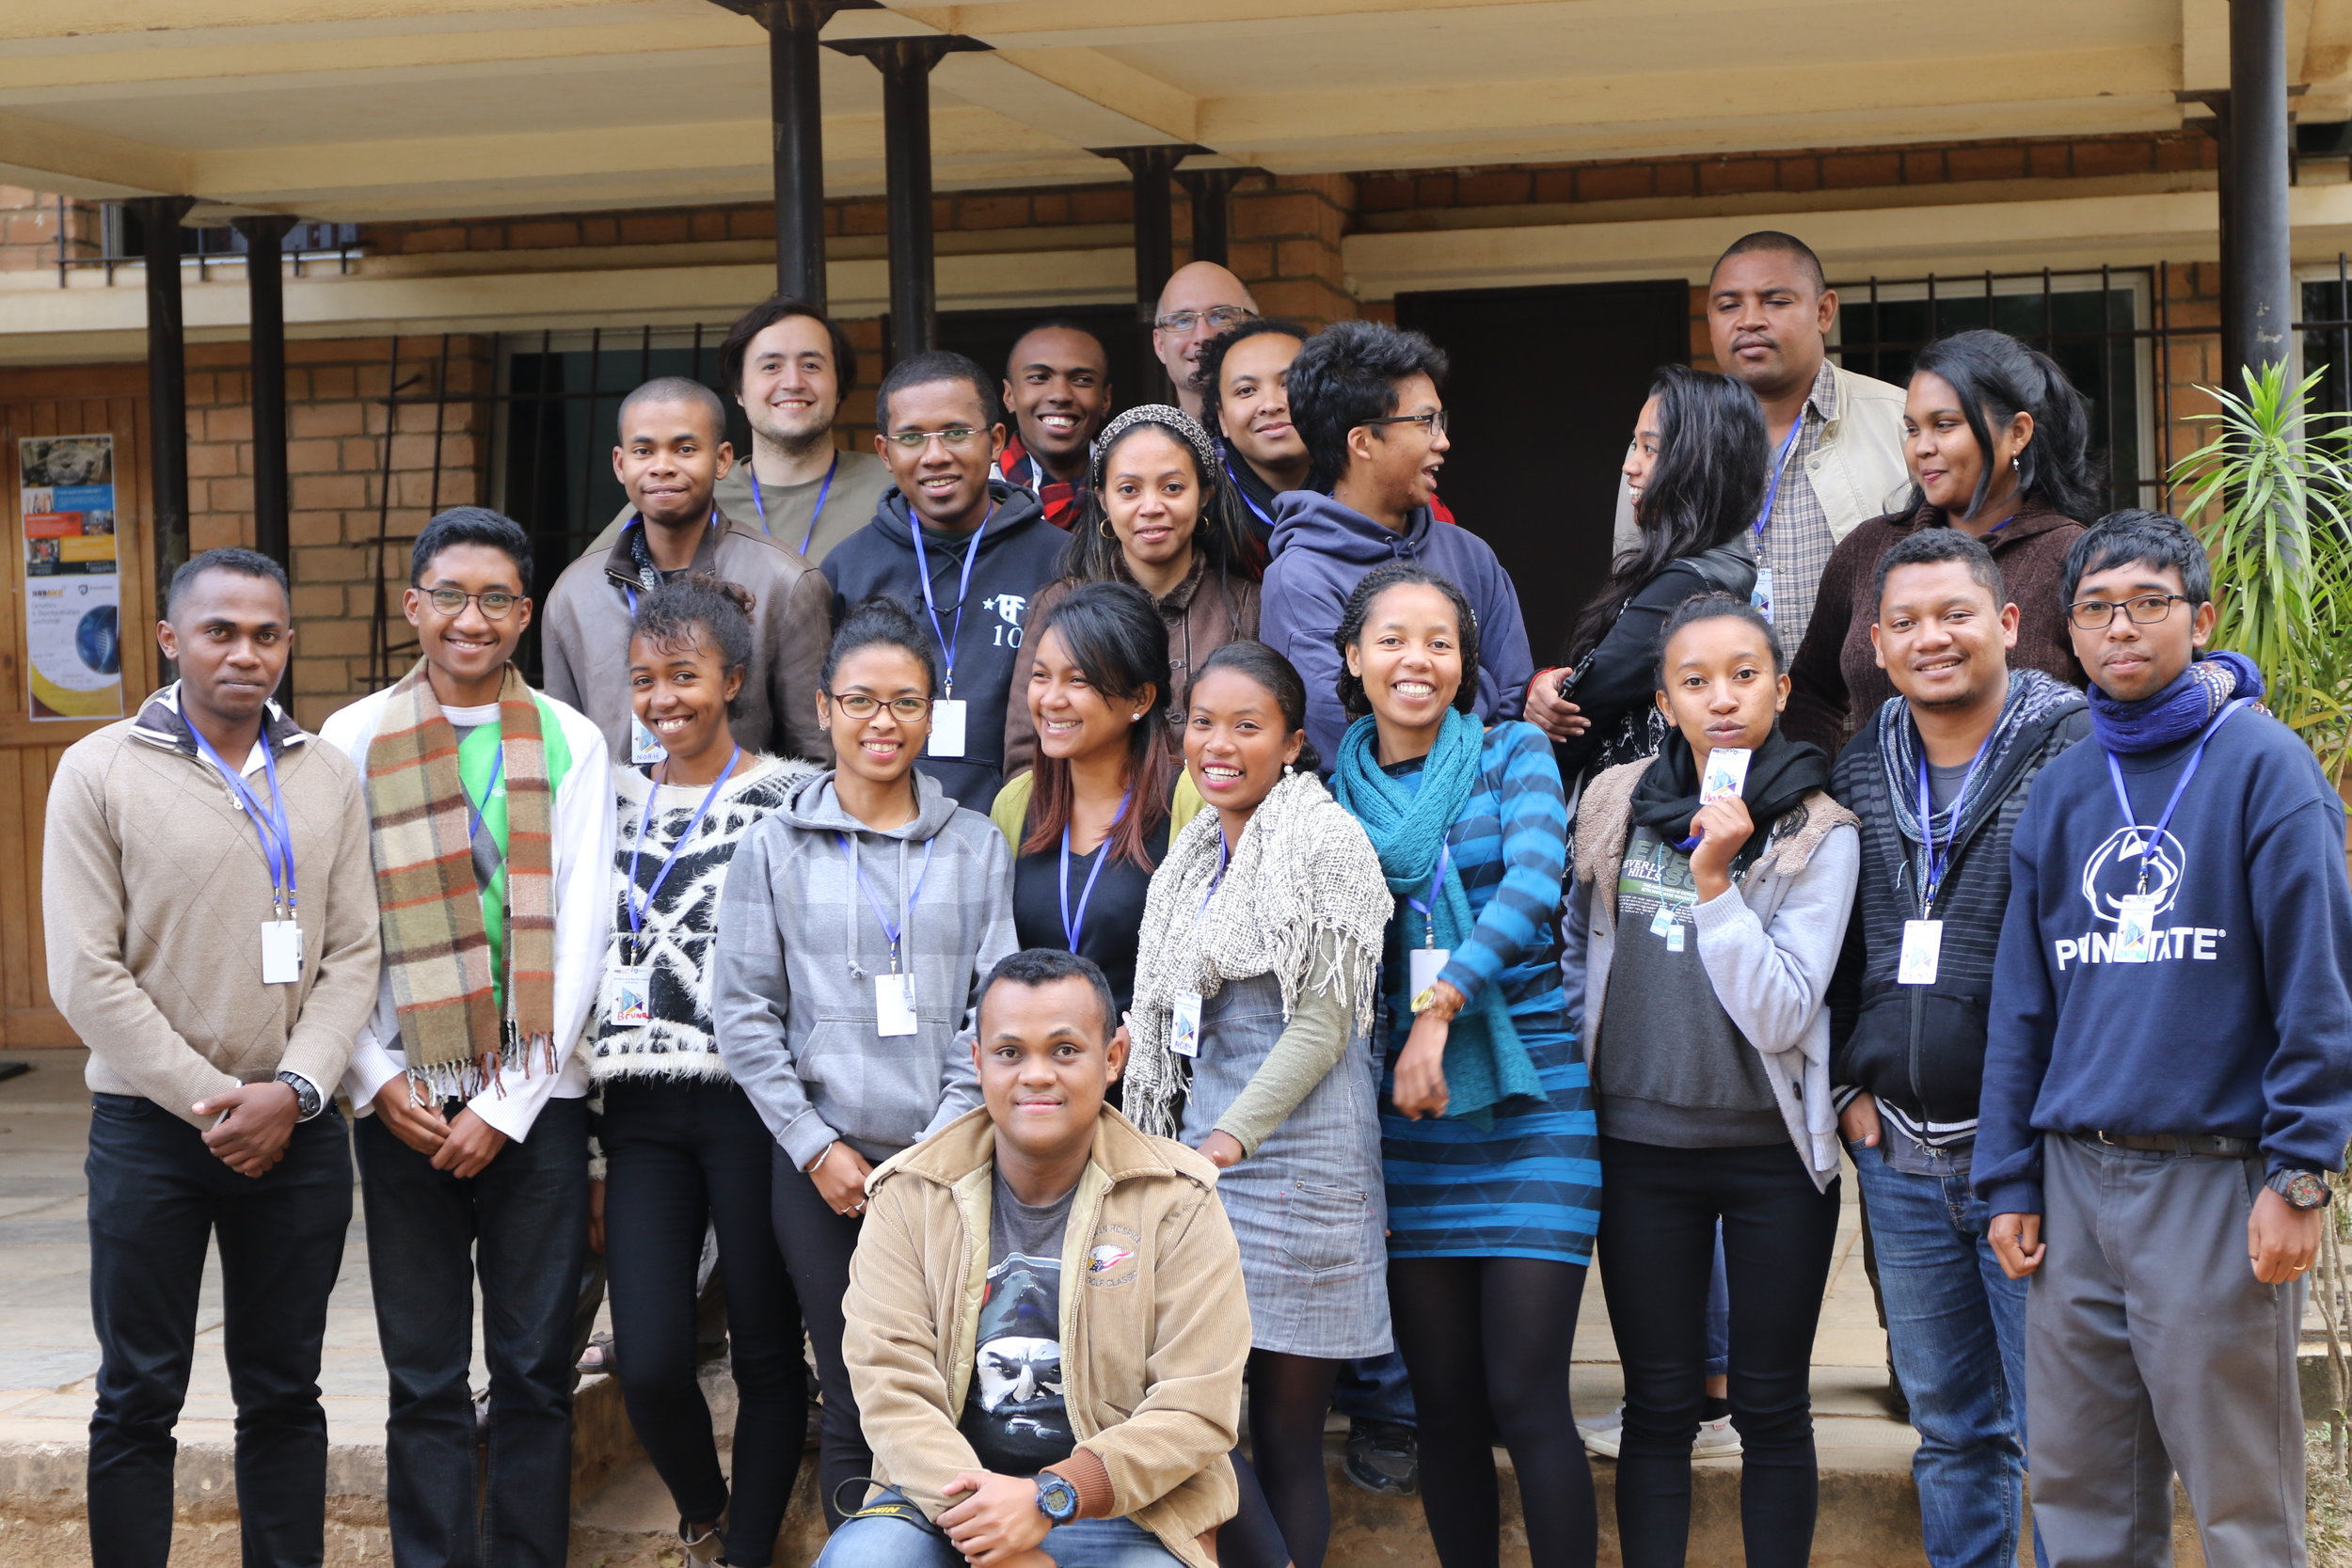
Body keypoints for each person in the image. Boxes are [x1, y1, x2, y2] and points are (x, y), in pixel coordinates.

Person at [1976, 510, 2352, 1568]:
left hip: (2212, 1178)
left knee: (2238, 1495)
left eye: (2148, 602)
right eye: (2095, 607)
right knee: (2080, 1490)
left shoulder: (2265, 767)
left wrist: (2302, 1169)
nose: (2120, 627)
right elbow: (2022, 1003)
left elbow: (2318, 984)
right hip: (2072, 1181)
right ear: (2069, 631)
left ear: (2202, 615)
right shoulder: (2062, 782)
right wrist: (2008, 1175)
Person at [46, 547, 381, 1568]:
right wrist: (214, 1099)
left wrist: (293, 1090)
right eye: (220, 631)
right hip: (154, 1131)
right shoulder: (98, 768)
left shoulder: (323, 773)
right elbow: (85, 973)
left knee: (285, 1390)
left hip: (299, 1132)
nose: (247, 652)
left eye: (267, 632)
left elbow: (355, 950)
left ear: (288, 640)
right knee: (137, 1391)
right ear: (169, 639)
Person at [323, 507, 615, 1568]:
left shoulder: (571, 741)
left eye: (495, 598)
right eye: (449, 594)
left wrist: (505, 1104)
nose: (470, 618)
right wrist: (373, 1074)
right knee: (423, 1368)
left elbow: (581, 937)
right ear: (413, 606)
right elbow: (337, 930)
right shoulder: (350, 740)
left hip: (532, 1097)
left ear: (525, 613)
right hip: (400, 1091)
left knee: (536, 1366)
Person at [1560, 593, 1857, 1568]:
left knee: (1770, 1405)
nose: (1720, 697)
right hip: (1641, 1151)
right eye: (1694, 680)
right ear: (1663, 696)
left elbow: (1780, 1011)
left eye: (1742, 675)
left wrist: (1718, 879)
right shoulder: (1614, 798)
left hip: (1771, 1156)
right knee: (1656, 1405)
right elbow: (1575, 948)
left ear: (1779, 688)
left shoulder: (1818, 827)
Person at [714, 596, 1019, 1530]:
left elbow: (995, 1011)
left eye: (905, 701)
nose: (882, 721)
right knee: (851, 1384)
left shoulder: (975, 844)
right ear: (823, 706)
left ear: (933, 711)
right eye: (860, 701)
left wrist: (928, 1156)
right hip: (821, 1166)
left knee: (948, 1374)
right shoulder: (771, 844)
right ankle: (866, 1548)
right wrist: (815, 1146)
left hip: (950, 1163)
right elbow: (742, 1010)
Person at [1327, 564, 1601, 1568]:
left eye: (1439, 642)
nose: (1417, 660)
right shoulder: (1327, 791)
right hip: (1406, 1123)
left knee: (1528, 1397)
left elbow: (1534, 880)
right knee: (1442, 1404)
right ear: (1353, 659)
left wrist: (1440, 1006)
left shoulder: (1511, 753)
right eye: (1392, 639)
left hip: (1531, 1105)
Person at [1826, 528, 2086, 1568]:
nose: (1931, 638)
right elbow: (1834, 934)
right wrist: (1850, 1080)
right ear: (1877, 644)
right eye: (1905, 622)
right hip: (1898, 1151)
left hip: (2030, 1150)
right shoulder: (1859, 761)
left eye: (1955, 614)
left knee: (2064, 1429)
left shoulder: (2076, 749)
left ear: (2009, 625)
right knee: (1951, 1428)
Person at [818, 948, 1250, 1568]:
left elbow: (1195, 1405)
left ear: (1113, 1058)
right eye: (1010, 1052)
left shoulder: (1177, 1201)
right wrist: (990, 1533)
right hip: (941, 1502)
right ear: (978, 1062)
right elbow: (890, 1386)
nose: (1037, 1074)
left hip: (1122, 1509)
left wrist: (1051, 1495)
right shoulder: (910, 1196)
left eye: (1065, 1050)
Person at [1124, 640, 1392, 1568]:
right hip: (1205, 1167)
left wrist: (1227, 1140)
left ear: (1289, 740)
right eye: (1203, 722)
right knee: (1195, 1420)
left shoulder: (1322, 838)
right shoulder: (1192, 858)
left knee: (1283, 1437)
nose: (1219, 742)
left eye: (1247, 724)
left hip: (1300, 1167)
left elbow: (1325, 1023)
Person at [589, 577, 821, 1568]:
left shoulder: (791, 796)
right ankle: (702, 1511)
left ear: (732, 678)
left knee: (769, 1351)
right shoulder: (604, 799)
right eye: (644, 678)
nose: (662, 697)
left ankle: (744, 1553)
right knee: (645, 1356)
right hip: (639, 1113)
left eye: (684, 674)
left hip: (751, 1105)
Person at [1786, 328, 2096, 752]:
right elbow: (1812, 692)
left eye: (1945, 425)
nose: (1922, 448)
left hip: (2028, 815)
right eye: (1913, 429)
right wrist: (1819, 798)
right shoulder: (1868, 549)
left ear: (2018, 433)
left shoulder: (2075, 559)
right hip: (1877, 814)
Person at [1608, 231, 1908, 660]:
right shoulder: (1659, 443)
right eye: (1729, 306)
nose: (1749, 320)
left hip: (1866, 717)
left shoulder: (1902, 424)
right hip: (1715, 717)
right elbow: (1630, 585)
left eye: (1776, 302)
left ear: (1824, 311)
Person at [1263, 321, 1533, 767]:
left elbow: (1517, 702)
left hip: (1486, 816)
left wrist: (1413, 699)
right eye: (1426, 421)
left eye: (1439, 421)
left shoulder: (1472, 555)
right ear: (1363, 441)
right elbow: (1348, 729)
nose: (1443, 441)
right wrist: (1470, 685)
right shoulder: (1299, 578)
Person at [820, 350, 1067, 814]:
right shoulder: (847, 569)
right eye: (911, 438)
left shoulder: (1060, 560)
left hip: (1027, 827)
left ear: (996, 440)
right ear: (885, 452)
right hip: (876, 834)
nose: (935, 456)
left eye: (955, 433)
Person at [544, 374, 834, 768]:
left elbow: (815, 759)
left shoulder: (785, 583)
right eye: (643, 451)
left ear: (722, 460)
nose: (662, 467)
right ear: (619, 463)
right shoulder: (574, 594)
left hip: (747, 825)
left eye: (684, 448)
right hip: (615, 824)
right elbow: (561, 755)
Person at [1524, 365, 1762, 793]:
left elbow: (1579, 714)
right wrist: (1545, 683)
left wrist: (1545, 708)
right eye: (1634, 444)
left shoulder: (1687, 585)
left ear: (1699, 463)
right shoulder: (1711, 566)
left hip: (1641, 825)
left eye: (1649, 449)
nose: (1628, 465)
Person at [1003, 404, 1263, 777]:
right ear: (1104, 500)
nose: (1151, 507)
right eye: (1129, 490)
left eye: (1172, 487)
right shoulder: (1059, 604)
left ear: (1205, 494)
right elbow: (1026, 758)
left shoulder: (1250, 607)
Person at [990, 582, 1182, 1019]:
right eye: (1041, 676)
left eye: (1078, 680)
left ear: (1140, 697)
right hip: (1043, 1074)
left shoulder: (1188, 802)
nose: (1052, 699)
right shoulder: (1015, 805)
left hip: (1150, 1074)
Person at [586, 298, 895, 566]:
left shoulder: (893, 488)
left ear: (839, 386)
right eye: (771, 366)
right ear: (739, 390)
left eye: (811, 365)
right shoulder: (686, 489)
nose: (793, 382)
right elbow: (585, 596)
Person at [1198, 317, 1311, 548]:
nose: (1271, 404)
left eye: (1291, 383)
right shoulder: (1200, 514)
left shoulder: (1370, 495)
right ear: (1222, 417)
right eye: (1246, 390)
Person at [998, 321, 1114, 528]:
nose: (1060, 395)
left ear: (1105, 399)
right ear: (1009, 395)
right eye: (1039, 378)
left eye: (1081, 380)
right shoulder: (981, 492)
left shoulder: (1133, 488)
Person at [1152, 260, 1260, 419]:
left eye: (1222, 316)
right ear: (1159, 345)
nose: (1202, 336)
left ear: (1256, 331)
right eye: (1182, 321)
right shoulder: (1150, 443)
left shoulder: (1302, 435)